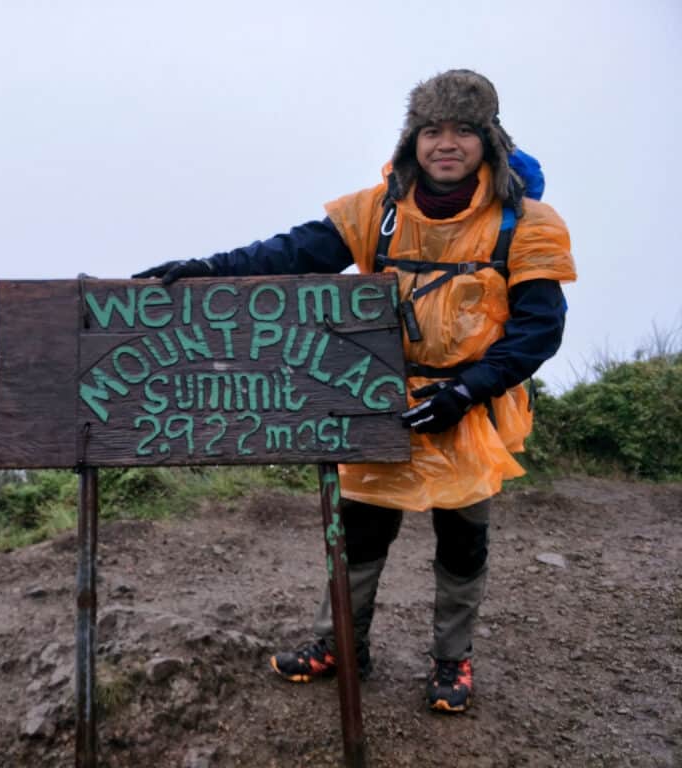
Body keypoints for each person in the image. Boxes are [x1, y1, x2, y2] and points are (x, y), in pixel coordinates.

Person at [133, 69, 576, 713]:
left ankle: (453, 661)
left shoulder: (526, 223)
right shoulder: (380, 210)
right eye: (431, 130)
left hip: (468, 409)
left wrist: (465, 392)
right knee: (360, 530)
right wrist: (209, 269)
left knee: (462, 540)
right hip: (381, 401)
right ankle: (341, 644)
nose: (444, 144)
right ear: (412, 140)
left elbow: (539, 330)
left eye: (461, 131)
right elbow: (292, 251)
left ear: (488, 141)